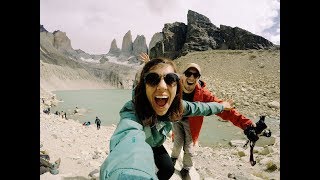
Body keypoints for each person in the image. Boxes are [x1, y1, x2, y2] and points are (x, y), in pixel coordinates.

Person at [100, 57, 235, 180]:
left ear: (177, 86)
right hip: (143, 142)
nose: (162, 86)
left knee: (168, 169)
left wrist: (222, 106)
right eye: (153, 79)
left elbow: (200, 108)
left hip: (156, 145)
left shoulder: (176, 107)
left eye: (170, 79)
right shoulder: (133, 111)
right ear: (144, 86)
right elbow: (128, 140)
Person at [170, 63, 255, 178]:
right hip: (176, 119)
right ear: (183, 75)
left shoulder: (203, 93)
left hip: (191, 123)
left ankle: (186, 168)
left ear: (198, 78)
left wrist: (246, 125)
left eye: (195, 75)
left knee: (189, 148)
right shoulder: (174, 84)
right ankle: (173, 158)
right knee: (177, 143)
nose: (191, 77)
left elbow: (223, 109)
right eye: (188, 73)